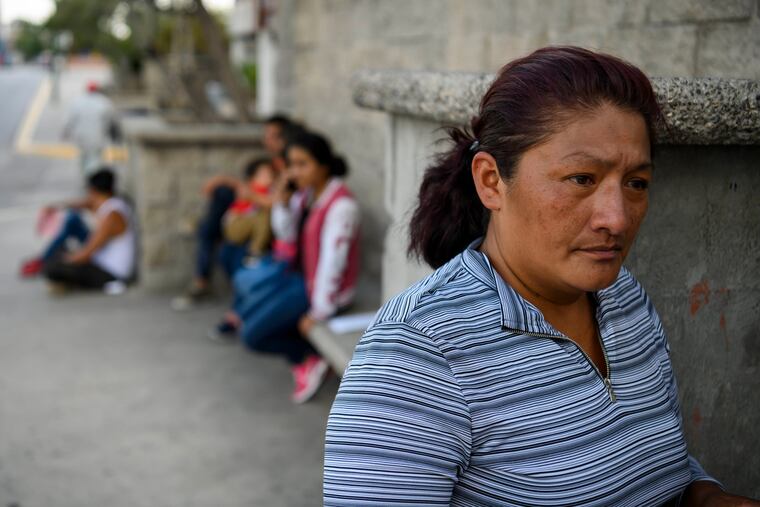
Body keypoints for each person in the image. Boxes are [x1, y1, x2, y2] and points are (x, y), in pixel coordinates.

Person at [323, 47, 759, 506]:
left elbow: (651, 459)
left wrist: (702, 495)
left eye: (636, 183)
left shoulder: (623, 298)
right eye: (581, 178)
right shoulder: (418, 354)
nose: (617, 218)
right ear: (491, 181)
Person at [214, 131, 360, 404]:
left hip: (322, 291)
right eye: (291, 165)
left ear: (323, 165)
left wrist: (319, 312)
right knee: (245, 315)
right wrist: (282, 202)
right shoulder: (305, 196)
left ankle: (307, 357)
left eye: (302, 164)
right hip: (300, 280)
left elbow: (333, 262)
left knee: (252, 336)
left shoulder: (341, 205)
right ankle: (307, 358)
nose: (294, 172)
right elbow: (286, 236)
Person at [172, 115, 299, 310]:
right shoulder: (273, 163)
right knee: (221, 196)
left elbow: (277, 201)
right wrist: (228, 182)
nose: (267, 140)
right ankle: (207, 232)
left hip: (271, 224)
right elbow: (255, 188)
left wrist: (249, 194)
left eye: (273, 136)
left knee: (223, 243)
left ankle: (207, 270)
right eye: (266, 135)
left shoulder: (289, 167)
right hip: (258, 214)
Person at [24, 168, 135, 292]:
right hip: (101, 262)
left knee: (51, 267)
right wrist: (56, 206)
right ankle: (57, 271)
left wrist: (68, 259)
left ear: (93, 191)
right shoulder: (111, 202)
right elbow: (85, 204)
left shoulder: (112, 216)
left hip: (110, 274)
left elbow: (87, 254)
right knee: (68, 231)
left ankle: (61, 277)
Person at [62, 81, 118, 176]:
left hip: (81, 137)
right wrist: (114, 135)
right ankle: (93, 178)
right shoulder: (104, 102)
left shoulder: (77, 102)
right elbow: (112, 120)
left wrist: (65, 132)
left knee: (84, 156)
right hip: (98, 136)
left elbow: (70, 119)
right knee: (96, 158)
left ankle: (87, 175)